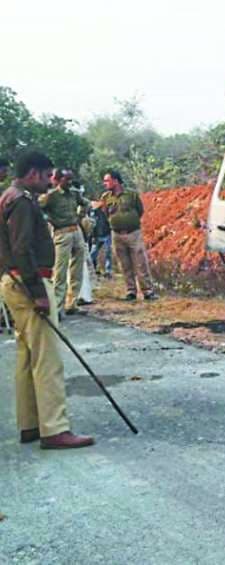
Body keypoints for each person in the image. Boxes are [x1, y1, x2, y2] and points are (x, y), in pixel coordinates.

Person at [0, 150, 94, 449]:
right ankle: (55, 429)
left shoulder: (8, 197)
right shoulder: (23, 202)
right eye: (47, 176)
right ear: (33, 174)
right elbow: (22, 248)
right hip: (28, 284)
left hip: (14, 282)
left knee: (28, 356)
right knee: (47, 358)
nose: (50, 182)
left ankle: (31, 424)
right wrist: (39, 293)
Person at [99, 170, 156, 301]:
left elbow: (139, 210)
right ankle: (131, 291)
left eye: (107, 180)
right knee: (124, 264)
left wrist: (130, 221)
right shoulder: (105, 197)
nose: (105, 183)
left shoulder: (131, 195)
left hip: (133, 233)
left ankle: (147, 291)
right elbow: (106, 213)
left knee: (140, 262)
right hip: (116, 235)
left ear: (116, 181)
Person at [38, 169, 88, 316]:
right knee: (60, 271)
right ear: (59, 180)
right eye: (67, 179)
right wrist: (48, 220)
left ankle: (72, 303)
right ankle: (57, 307)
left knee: (77, 269)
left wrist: (81, 215)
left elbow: (86, 203)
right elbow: (37, 207)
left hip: (76, 231)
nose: (70, 183)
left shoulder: (74, 193)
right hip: (61, 233)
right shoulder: (51, 196)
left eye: (71, 179)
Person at [88, 200, 112, 277]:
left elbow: (109, 222)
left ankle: (108, 271)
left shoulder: (106, 212)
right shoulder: (93, 214)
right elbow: (92, 226)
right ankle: (90, 268)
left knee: (108, 253)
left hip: (107, 234)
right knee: (93, 253)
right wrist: (93, 236)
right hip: (97, 236)